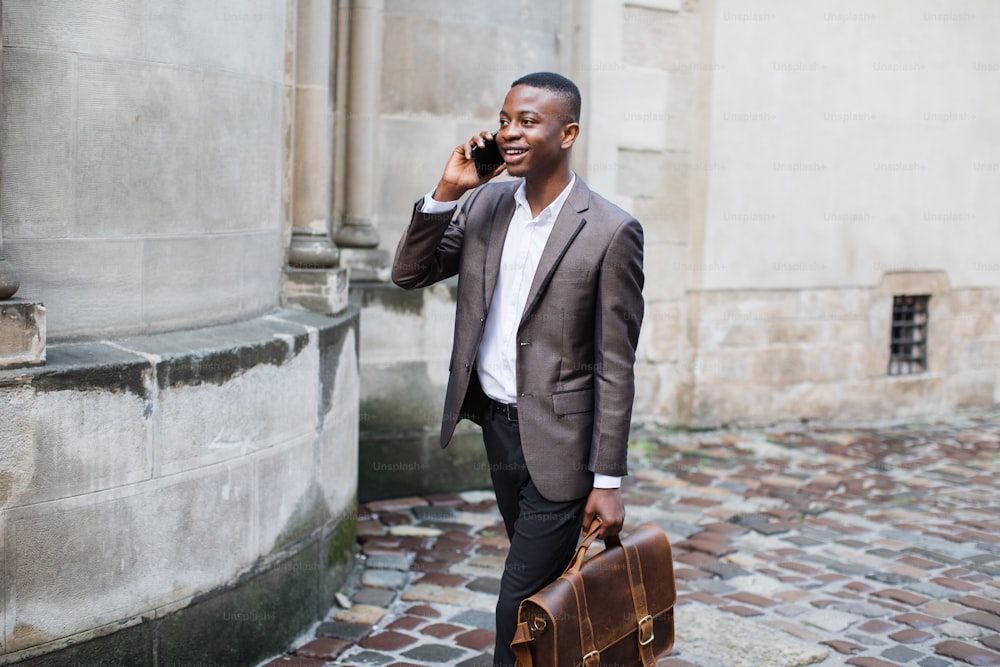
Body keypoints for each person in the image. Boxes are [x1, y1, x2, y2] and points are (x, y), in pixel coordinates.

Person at [391, 71, 644, 666]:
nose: (510, 132)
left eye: (528, 122)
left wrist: (607, 480)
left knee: (518, 605)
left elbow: (616, 365)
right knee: (549, 595)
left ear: (568, 132)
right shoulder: (484, 205)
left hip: (565, 446)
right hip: (499, 429)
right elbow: (409, 273)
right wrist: (446, 192)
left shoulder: (610, 230)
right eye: (505, 119)